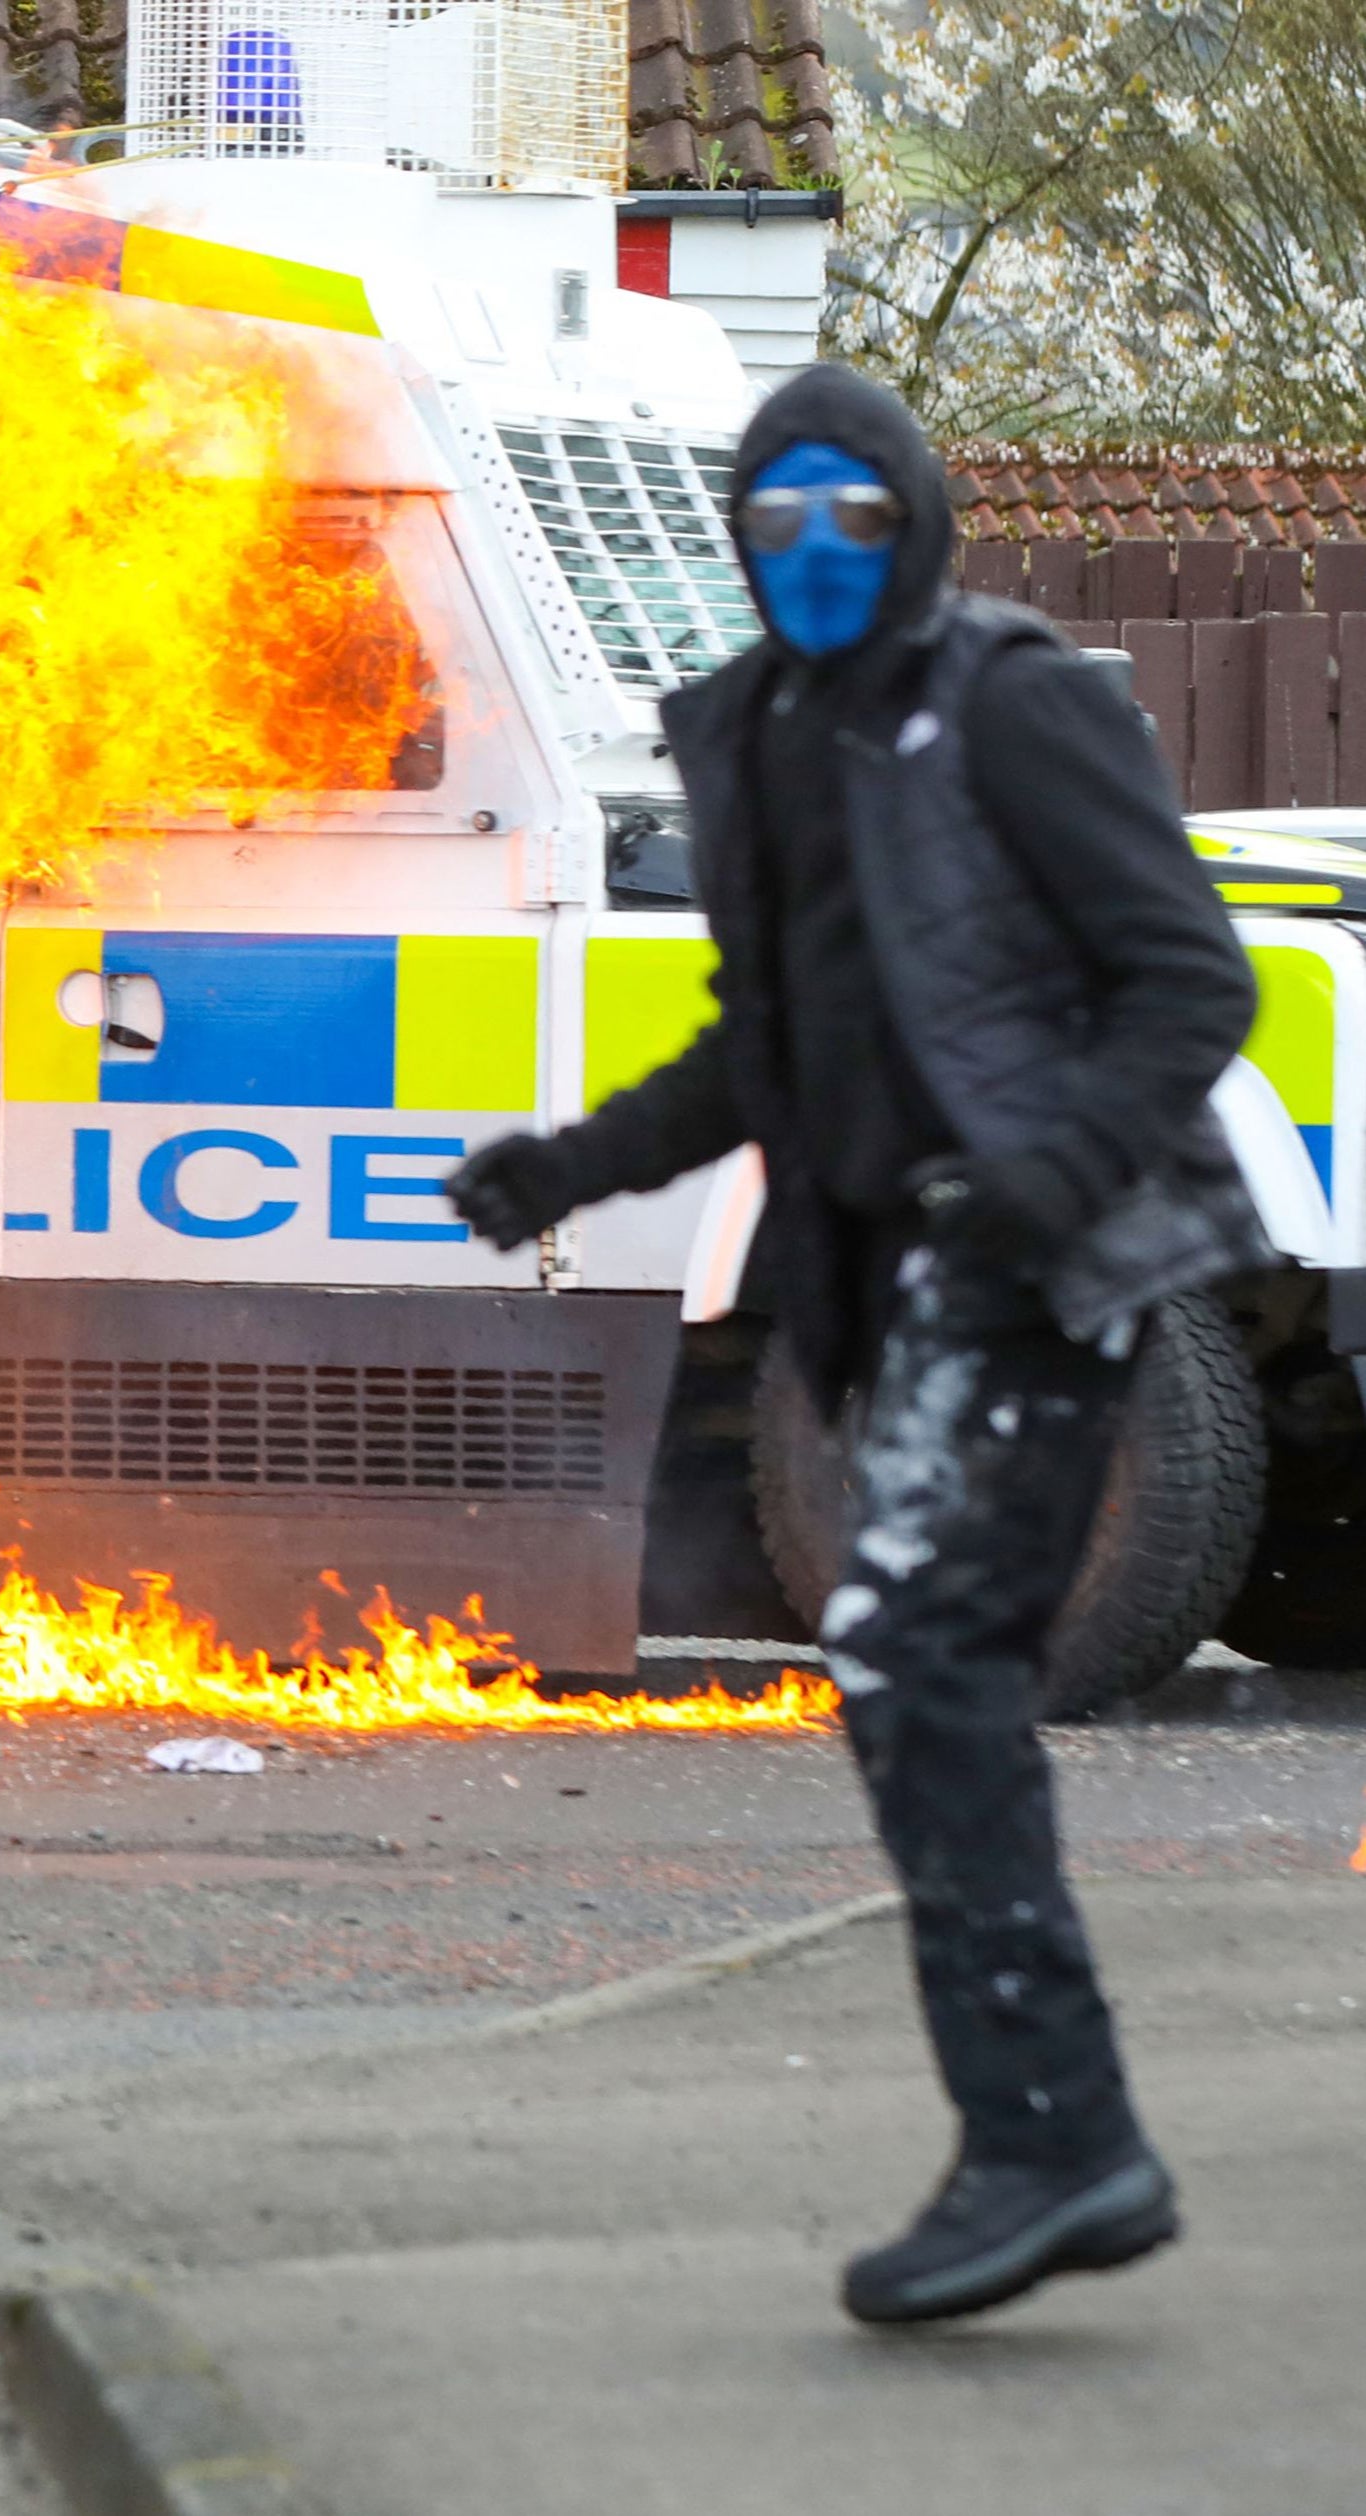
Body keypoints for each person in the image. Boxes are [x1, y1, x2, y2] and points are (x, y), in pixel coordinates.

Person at [448, 365, 1259, 2327]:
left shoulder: (1015, 701)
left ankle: (1050, 2141)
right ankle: (1050, 2135)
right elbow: (765, 1036)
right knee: (909, 1677)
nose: (813, 553)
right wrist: (570, 1162)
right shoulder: (744, 730)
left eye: (854, 518)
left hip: (1046, 1276)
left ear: (917, 524)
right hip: (878, 1288)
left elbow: (1186, 980)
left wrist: (1041, 1174)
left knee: (911, 1653)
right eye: (778, 520)